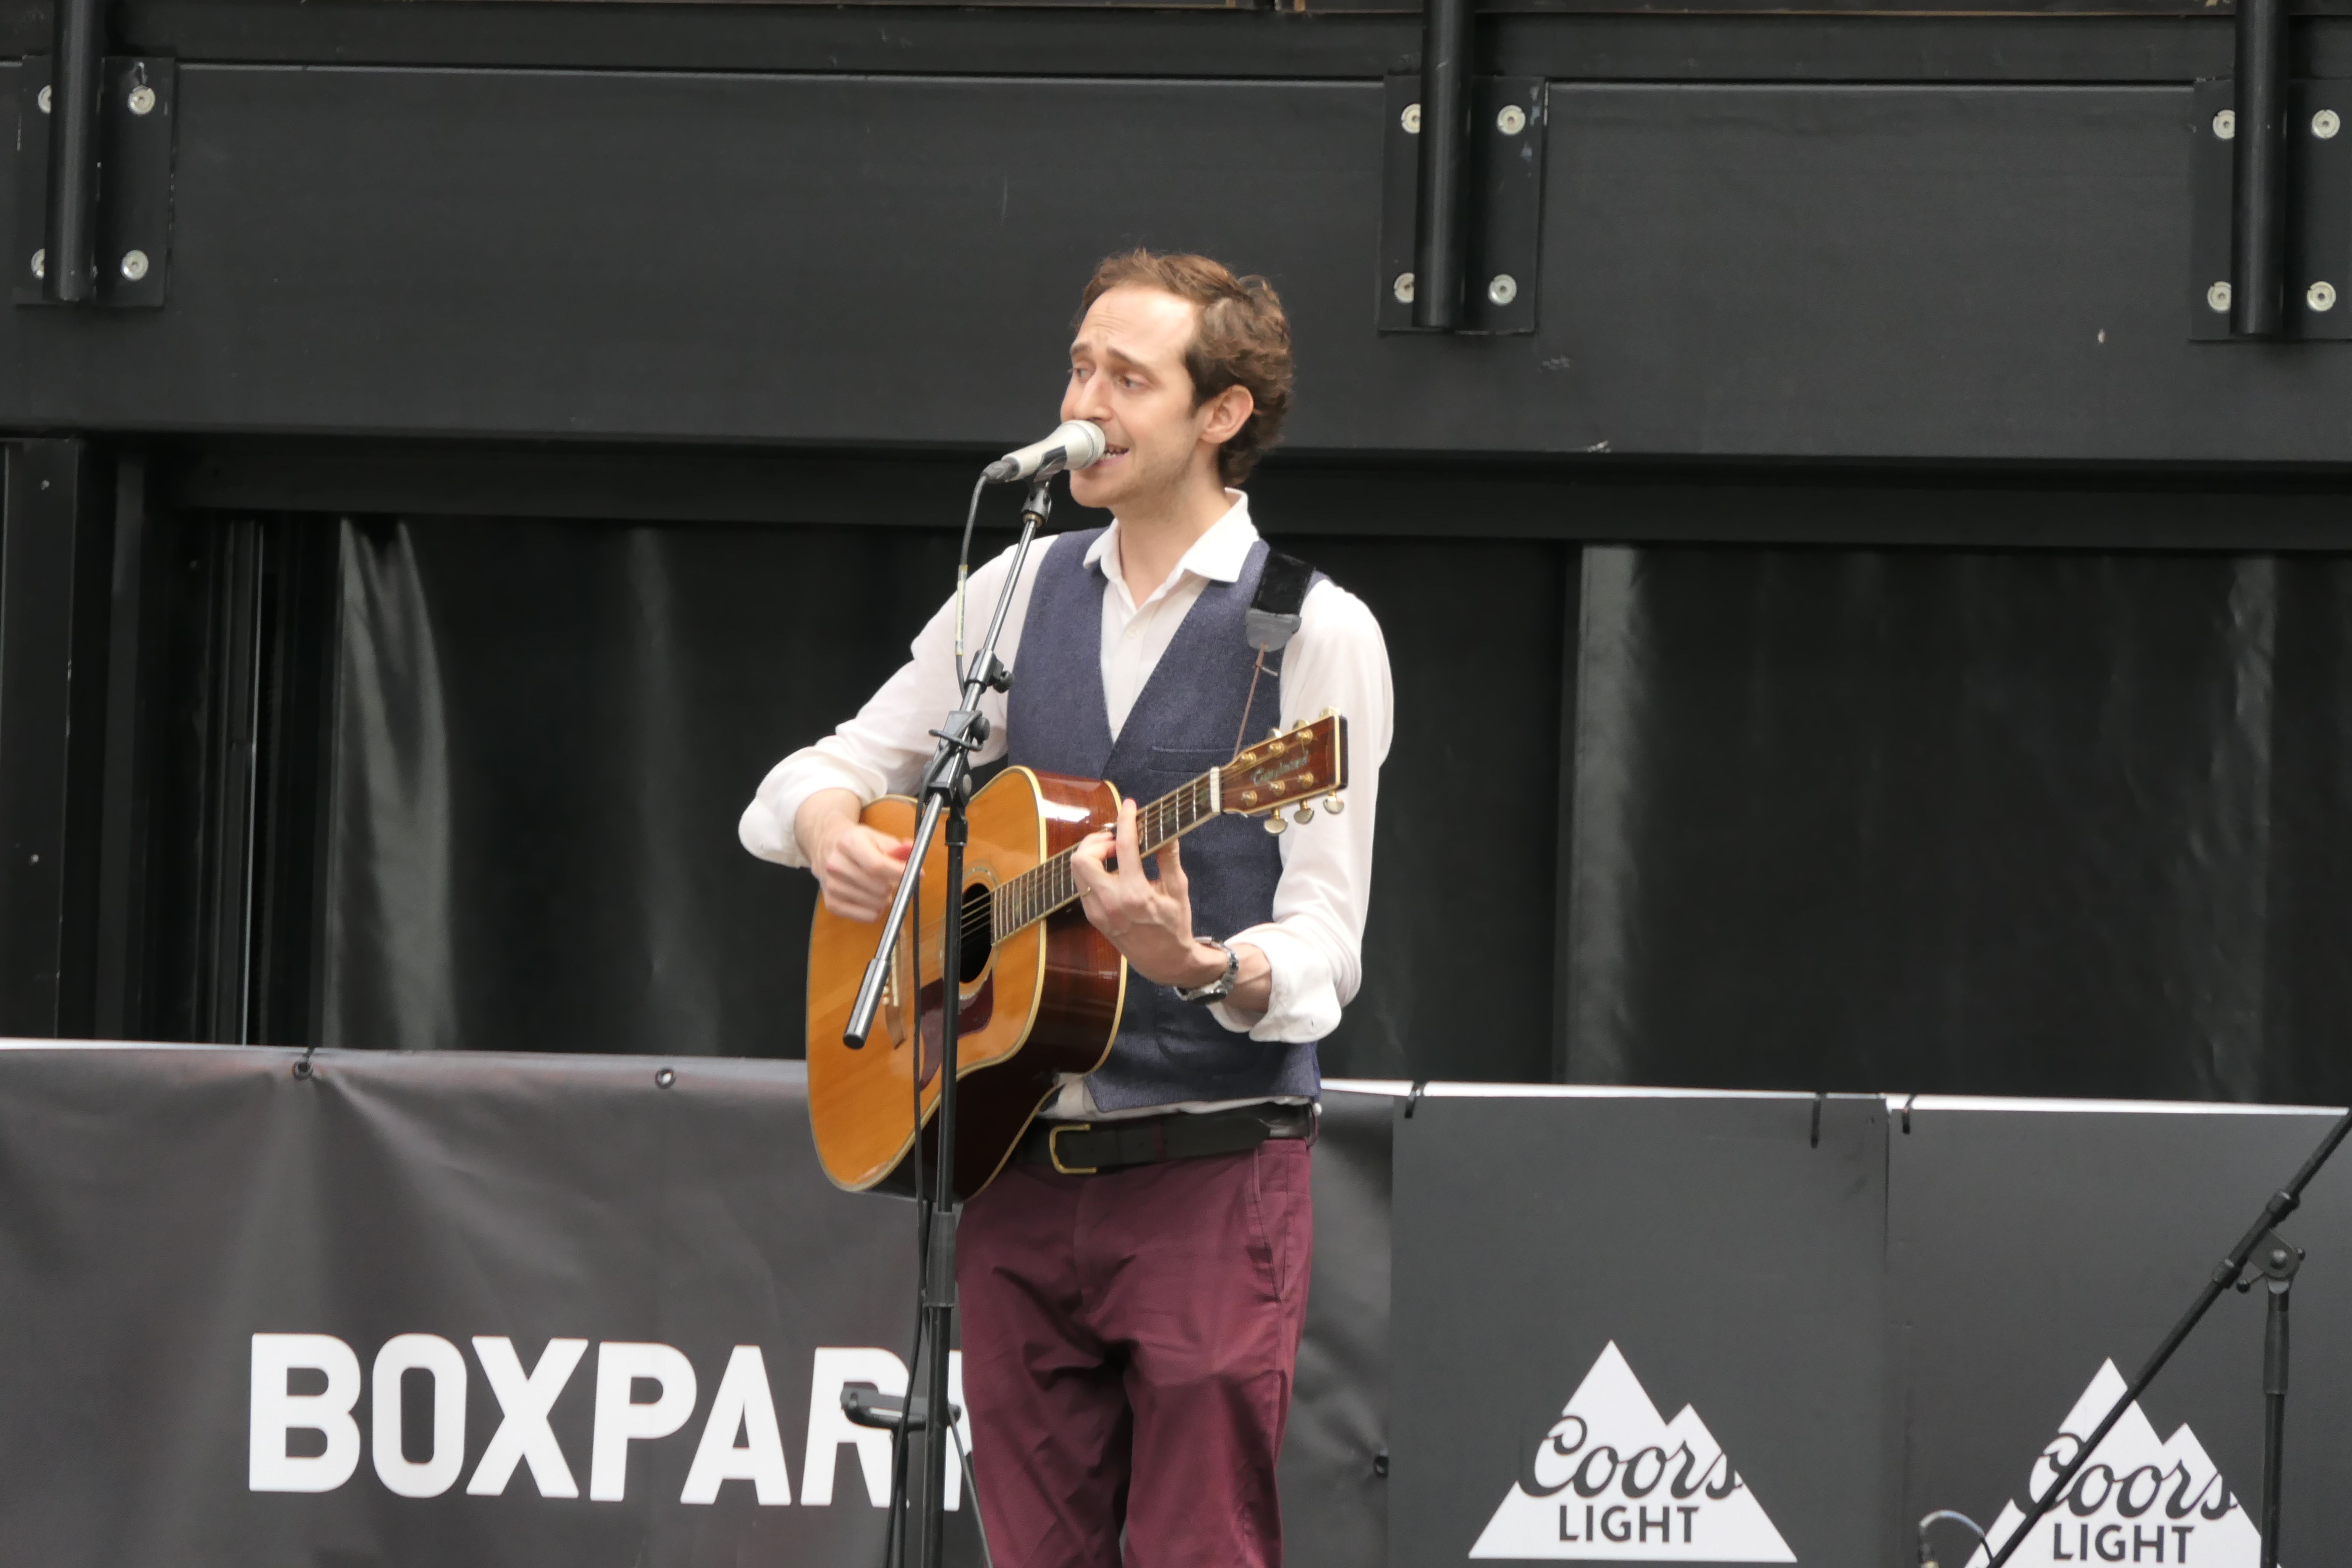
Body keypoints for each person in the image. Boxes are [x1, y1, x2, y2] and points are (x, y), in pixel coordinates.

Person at [739, 249, 1392, 1567]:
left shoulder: (1313, 634)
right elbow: (811, 778)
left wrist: (1198, 961)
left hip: (1209, 1165)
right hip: (1012, 1159)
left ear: (1223, 417)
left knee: (1200, 1549)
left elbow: (1327, 943)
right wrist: (829, 831)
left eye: (1128, 377)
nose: (1085, 400)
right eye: (1081, 364)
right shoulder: (1014, 592)